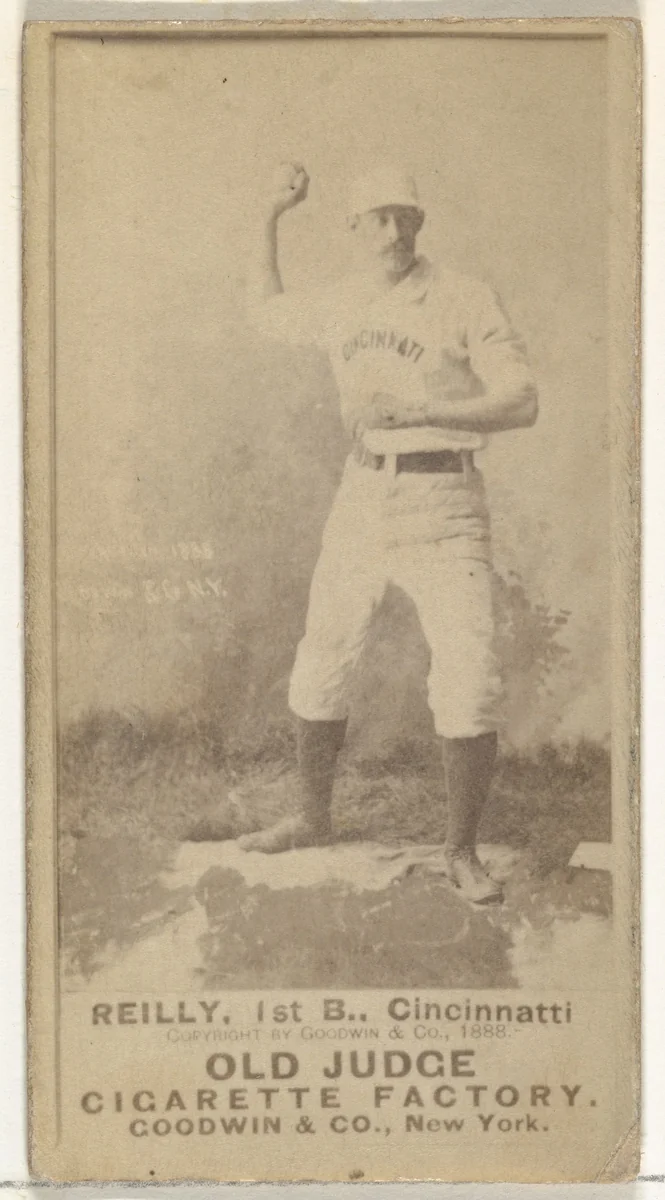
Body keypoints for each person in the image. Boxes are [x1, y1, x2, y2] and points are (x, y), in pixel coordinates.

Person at [237, 162, 538, 904]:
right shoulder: (341, 302)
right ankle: (312, 817)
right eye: (377, 218)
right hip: (363, 495)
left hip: (445, 502)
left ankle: (461, 850)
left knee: (468, 680)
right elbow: (263, 311)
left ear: (420, 223)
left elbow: (522, 399)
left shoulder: (464, 297)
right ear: (354, 227)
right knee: (322, 656)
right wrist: (268, 216)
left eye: (405, 217)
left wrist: (427, 414)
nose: (395, 232)